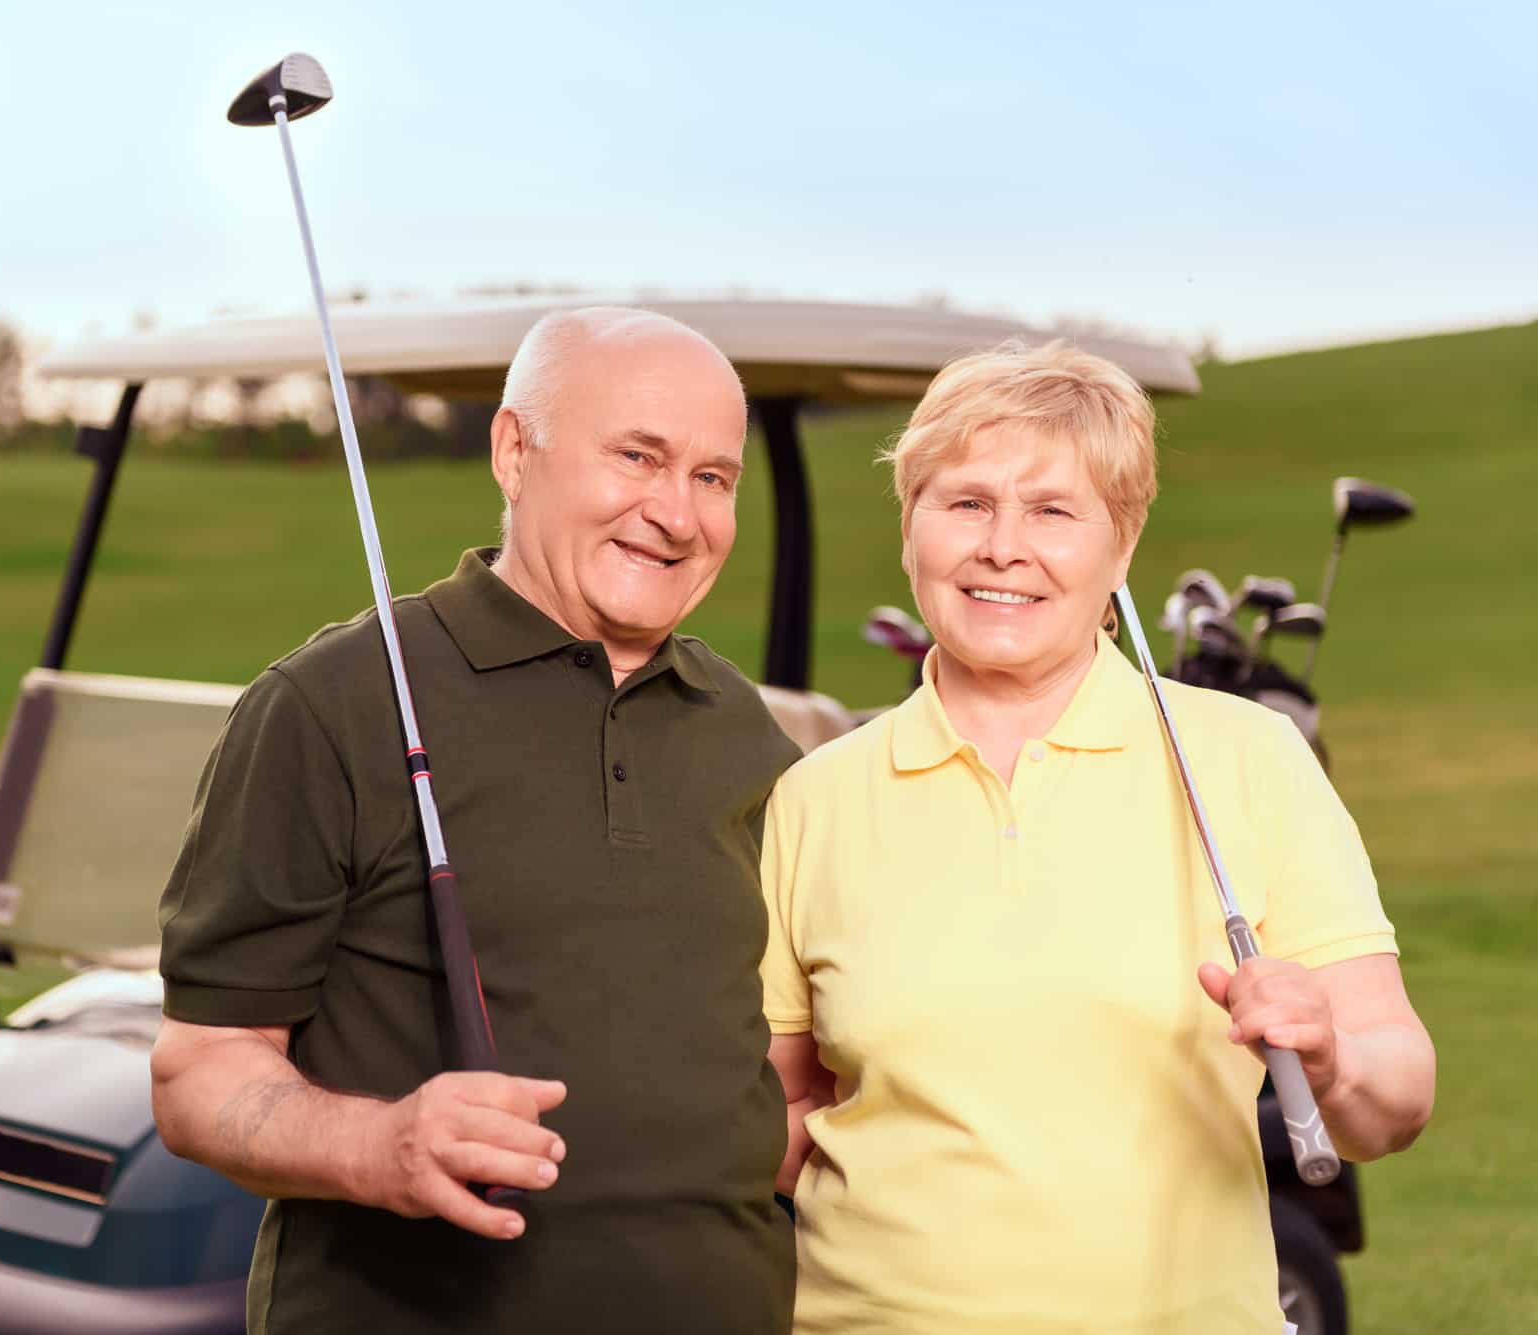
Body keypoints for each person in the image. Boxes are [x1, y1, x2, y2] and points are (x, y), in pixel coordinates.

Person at [761, 342, 1436, 1334]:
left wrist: (1331, 1059)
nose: (1001, 545)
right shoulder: (812, 797)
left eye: (1051, 509)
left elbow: (1397, 1095)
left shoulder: (1246, 759)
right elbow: (775, 1113)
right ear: (908, 528)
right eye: (963, 502)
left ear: (1119, 547)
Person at [151, 307, 801, 1334]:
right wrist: (379, 1147)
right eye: (637, 457)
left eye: (712, 478)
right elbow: (199, 1075)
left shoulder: (744, 730)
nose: (676, 513)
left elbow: (771, 1068)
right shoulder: (332, 705)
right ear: (513, 451)